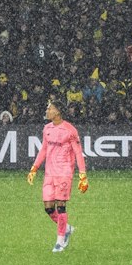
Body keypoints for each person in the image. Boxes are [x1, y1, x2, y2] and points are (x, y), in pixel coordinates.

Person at [27, 98, 88, 253]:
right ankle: (66, 228)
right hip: (49, 174)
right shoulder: (47, 128)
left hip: (64, 173)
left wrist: (82, 174)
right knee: (48, 208)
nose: (47, 111)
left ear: (58, 112)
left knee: (61, 207)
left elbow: (78, 153)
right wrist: (34, 168)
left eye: (50, 108)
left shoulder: (70, 130)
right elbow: (44, 150)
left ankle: (60, 242)